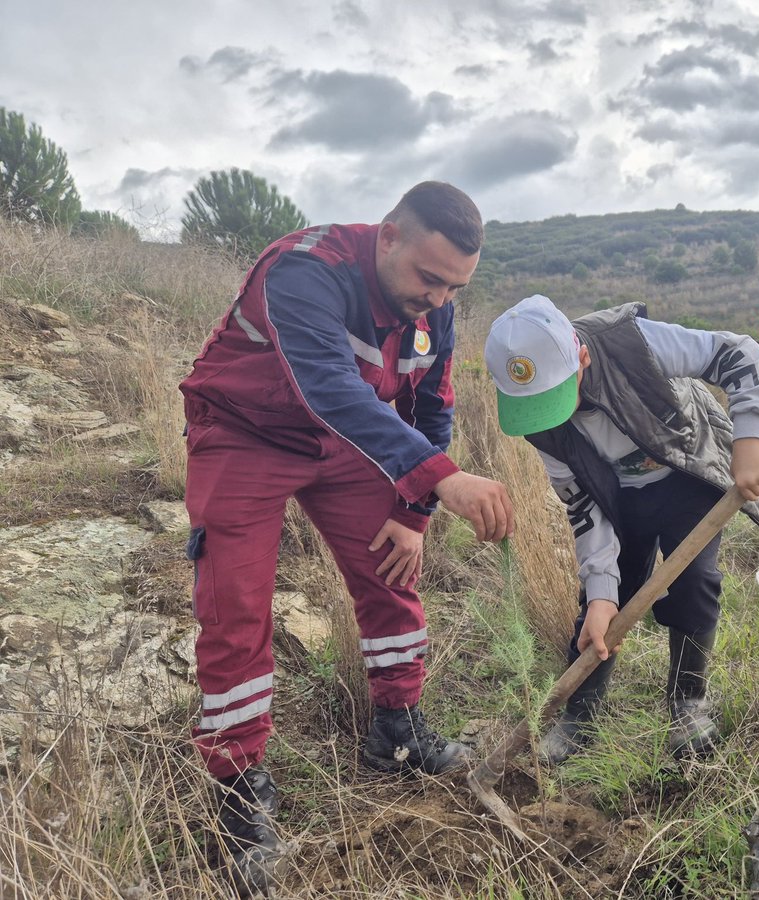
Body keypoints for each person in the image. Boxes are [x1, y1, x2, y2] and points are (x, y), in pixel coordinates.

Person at [179, 182, 515, 892]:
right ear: (387, 236)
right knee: (237, 606)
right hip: (244, 433)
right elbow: (329, 386)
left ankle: (398, 726)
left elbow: (433, 404)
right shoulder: (305, 269)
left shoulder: (437, 309)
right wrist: (443, 480)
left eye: (455, 286)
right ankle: (238, 790)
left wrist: (415, 510)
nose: (438, 298)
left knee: (393, 572)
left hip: (346, 447)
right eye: (429, 277)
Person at [484, 295, 759, 764]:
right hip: (616, 496)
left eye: (557, 394)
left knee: (693, 582)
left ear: (581, 355)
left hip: (687, 471)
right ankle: (580, 714)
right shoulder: (538, 424)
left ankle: (688, 701)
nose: (552, 413)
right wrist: (602, 592)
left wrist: (750, 437)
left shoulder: (629, 341)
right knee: (601, 604)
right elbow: (582, 503)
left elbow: (737, 353)